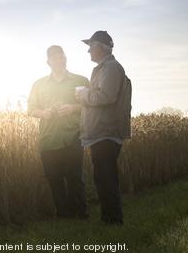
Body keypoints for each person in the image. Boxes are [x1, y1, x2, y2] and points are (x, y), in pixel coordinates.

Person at [75, 30, 132, 225]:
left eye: (90, 46)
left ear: (101, 47)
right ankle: (110, 219)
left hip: (106, 132)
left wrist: (84, 94)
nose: (88, 51)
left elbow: (106, 97)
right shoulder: (102, 69)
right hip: (100, 133)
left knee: (106, 178)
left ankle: (113, 221)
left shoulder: (111, 68)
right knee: (102, 178)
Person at [28, 45, 89, 219]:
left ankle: (80, 213)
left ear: (66, 58)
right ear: (48, 62)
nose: (59, 60)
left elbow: (91, 104)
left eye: (61, 56)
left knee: (74, 177)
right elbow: (31, 109)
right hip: (48, 139)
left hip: (73, 137)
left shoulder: (81, 81)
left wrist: (73, 108)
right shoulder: (38, 84)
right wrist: (43, 113)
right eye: (54, 58)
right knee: (54, 178)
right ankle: (63, 214)